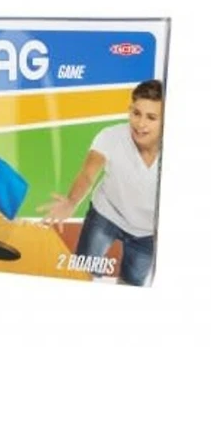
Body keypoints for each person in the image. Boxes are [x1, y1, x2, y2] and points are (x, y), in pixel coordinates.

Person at [37, 80, 164, 285]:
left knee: (132, 285)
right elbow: (88, 173)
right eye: (136, 113)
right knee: (82, 274)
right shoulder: (111, 136)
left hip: (146, 232)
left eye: (151, 118)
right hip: (106, 214)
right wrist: (71, 201)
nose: (140, 124)